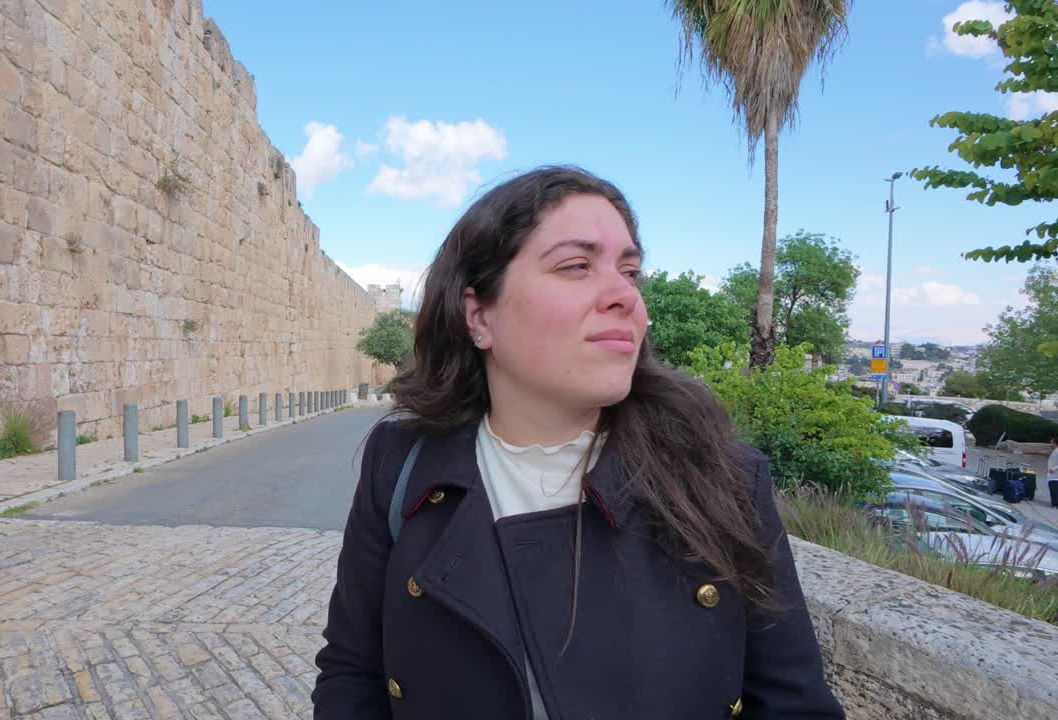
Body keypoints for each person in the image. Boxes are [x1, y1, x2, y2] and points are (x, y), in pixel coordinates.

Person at [311, 166, 845, 719]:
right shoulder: (400, 464)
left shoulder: (722, 475)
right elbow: (354, 672)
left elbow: (793, 703)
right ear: (479, 317)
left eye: (631, 272)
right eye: (575, 266)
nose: (624, 297)